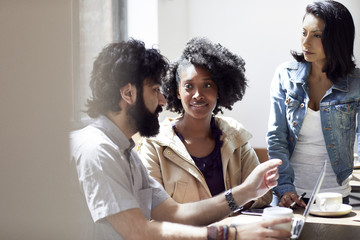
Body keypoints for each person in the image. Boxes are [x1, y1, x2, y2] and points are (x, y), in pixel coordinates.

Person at [70, 39, 291, 239]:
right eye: (155, 90)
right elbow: (138, 231)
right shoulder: (97, 150)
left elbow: (176, 213)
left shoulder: (125, 152)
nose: (162, 101)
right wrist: (230, 234)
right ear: (128, 94)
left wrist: (247, 191)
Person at [137, 37, 271, 209]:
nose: (197, 95)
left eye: (207, 85)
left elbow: (264, 195)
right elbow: (151, 206)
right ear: (177, 91)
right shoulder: (154, 143)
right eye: (188, 86)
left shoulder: (236, 136)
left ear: (219, 90)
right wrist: (241, 195)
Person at [267, 0, 360, 208]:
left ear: (337, 39)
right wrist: (284, 187)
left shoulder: (356, 83)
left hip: (335, 195)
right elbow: (276, 137)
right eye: (303, 32)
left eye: (317, 35)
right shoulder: (285, 76)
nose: (306, 43)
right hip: (288, 192)